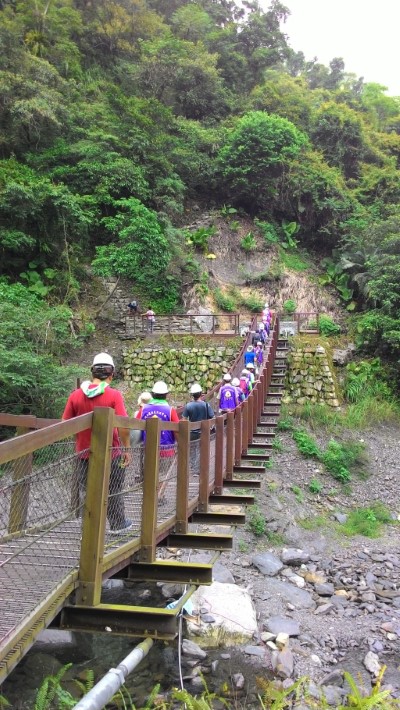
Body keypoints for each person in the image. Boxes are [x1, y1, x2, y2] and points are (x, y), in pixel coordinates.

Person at [62, 352, 133, 535]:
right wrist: (127, 449)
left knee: (88, 490)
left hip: (84, 454)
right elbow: (123, 426)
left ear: (92, 371)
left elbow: (65, 425)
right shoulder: (114, 395)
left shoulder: (75, 396)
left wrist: (80, 439)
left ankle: (91, 527)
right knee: (114, 488)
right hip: (112, 453)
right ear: (112, 374)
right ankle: (118, 524)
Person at [135, 381, 179, 499]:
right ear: (166, 395)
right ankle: (159, 496)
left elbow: (136, 426)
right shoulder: (170, 411)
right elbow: (177, 429)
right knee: (163, 474)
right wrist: (179, 444)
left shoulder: (143, 409)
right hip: (166, 449)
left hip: (148, 448)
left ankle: (150, 496)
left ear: (153, 394)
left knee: (150, 473)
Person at [182, 384, 214, 475]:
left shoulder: (188, 406)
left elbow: (184, 419)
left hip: (192, 432)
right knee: (201, 450)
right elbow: (212, 417)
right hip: (203, 431)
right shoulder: (206, 405)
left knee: (192, 449)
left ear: (192, 395)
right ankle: (199, 469)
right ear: (201, 394)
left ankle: (193, 468)